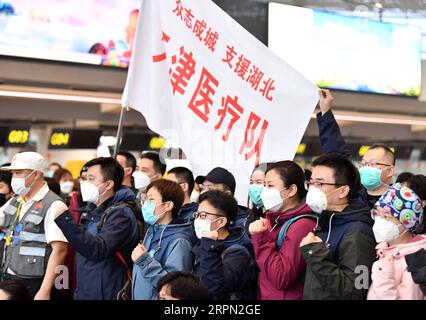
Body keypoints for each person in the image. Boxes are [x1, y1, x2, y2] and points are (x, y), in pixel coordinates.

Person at [54, 157, 139, 300]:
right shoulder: (91, 210)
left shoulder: (120, 214)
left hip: (108, 293)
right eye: (84, 178)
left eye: (91, 179)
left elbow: (97, 249)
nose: (85, 184)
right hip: (85, 291)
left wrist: (66, 220)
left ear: (108, 184)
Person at [300, 153, 376, 300]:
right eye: (311, 183)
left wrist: (314, 254)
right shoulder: (326, 220)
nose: (313, 190)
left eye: (320, 184)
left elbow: (357, 290)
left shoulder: (357, 232)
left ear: (343, 191)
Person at [0, 152, 68, 299]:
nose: (14, 178)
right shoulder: (16, 201)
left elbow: (60, 250)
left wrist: (45, 291)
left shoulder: (54, 205)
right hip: (11, 276)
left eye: (18, 173)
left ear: (35, 174)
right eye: (13, 173)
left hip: (35, 281)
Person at [316, 89, 396, 209]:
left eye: (372, 164)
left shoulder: (399, 204)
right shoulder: (354, 193)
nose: (366, 168)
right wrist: (325, 110)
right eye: (363, 164)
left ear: (390, 171)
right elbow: (337, 155)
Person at [249, 161, 317, 300]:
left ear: (291, 190)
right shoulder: (275, 219)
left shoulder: (301, 225)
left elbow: (281, 277)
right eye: (265, 185)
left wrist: (261, 237)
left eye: (271, 186)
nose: (265, 191)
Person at [132, 179, 194, 300]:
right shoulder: (152, 230)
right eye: (145, 199)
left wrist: (144, 261)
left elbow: (174, 287)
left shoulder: (179, 241)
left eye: (151, 199)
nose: (145, 204)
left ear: (168, 205)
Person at [192, 190, 257, 300]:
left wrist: (209, 246)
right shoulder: (203, 244)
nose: (197, 220)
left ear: (221, 221)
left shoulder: (238, 253)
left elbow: (214, 287)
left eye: (203, 215)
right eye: (197, 214)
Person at [367, 183, 425, 300]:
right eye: (377, 214)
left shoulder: (416, 261)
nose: (379, 221)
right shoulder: (385, 251)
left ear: (406, 223)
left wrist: (384, 275)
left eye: (387, 217)